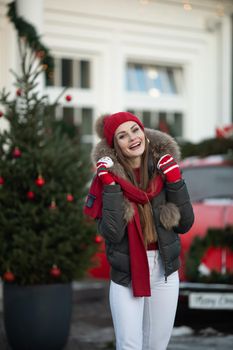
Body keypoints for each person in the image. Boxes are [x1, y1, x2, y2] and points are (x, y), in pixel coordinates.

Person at [84, 112, 194, 350]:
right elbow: (112, 233)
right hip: (126, 274)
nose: (132, 138)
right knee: (129, 345)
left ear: (143, 131)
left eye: (135, 130)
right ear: (115, 145)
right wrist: (111, 187)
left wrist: (175, 181)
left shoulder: (163, 170)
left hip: (165, 270)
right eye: (122, 135)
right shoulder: (107, 176)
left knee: (156, 346)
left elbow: (184, 224)